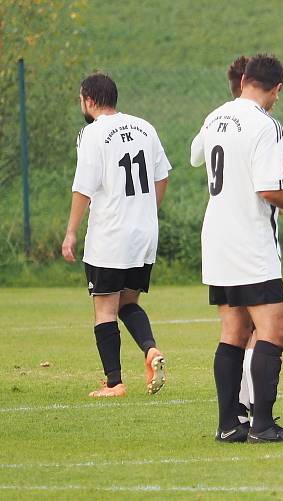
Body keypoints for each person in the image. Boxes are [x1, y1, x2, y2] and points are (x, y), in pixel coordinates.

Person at [190, 54, 283, 443]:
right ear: (277, 89)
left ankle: (229, 424)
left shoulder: (216, 116)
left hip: (216, 238)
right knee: (274, 326)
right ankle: (263, 425)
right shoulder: (267, 124)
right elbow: (267, 190)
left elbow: (199, 156)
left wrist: (278, 175)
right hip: (250, 240)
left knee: (233, 330)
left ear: (245, 79)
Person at [62, 73, 170, 398]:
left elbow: (84, 187)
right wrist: (148, 211)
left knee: (104, 308)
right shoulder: (145, 127)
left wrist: (70, 233)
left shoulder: (92, 134)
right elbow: (162, 175)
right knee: (128, 302)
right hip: (143, 234)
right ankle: (150, 350)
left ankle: (114, 383)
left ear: (89, 100)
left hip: (109, 234)